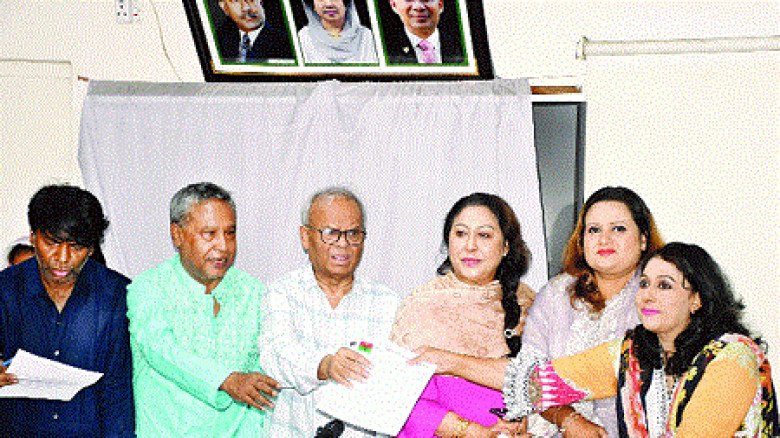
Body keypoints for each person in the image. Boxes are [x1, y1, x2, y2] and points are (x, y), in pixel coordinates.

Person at [413, 242, 779, 437]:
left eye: (665, 285)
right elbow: (537, 381)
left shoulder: (733, 358)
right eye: (645, 284)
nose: (648, 295)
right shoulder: (635, 353)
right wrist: (447, 361)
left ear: (697, 298)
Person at [127, 182, 278, 436]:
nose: (223, 246)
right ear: (177, 235)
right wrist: (227, 380)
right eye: (209, 234)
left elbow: (258, 385)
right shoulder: (148, 288)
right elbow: (163, 351)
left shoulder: (254, 293)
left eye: (230, 233)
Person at [519, 186, 663, 436]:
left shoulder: (660, 295)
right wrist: (568, 419)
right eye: (594, 230)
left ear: (643, 239)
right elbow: (527, 378)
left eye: (618, 229)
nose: (604, 239)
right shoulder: (556, 293)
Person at [257, 187, 400, 437]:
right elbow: (276, 356)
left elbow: (393, 385)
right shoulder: (282, 292)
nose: (343, 244)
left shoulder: (388, 303)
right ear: (305, 237)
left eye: (353, 233)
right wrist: (326, 365)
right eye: (331, 233)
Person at [390, 193, 535, 437]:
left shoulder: (529, 304)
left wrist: (525, 422)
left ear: (506, 247)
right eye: (460, 233)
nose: (470, 246)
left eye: (484, 235)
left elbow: (547, 386)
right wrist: (474, 432)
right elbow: (398, 398)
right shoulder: (422, 304)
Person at [0, 184, 134, 436]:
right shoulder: (5, 291)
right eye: (52, 243)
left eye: (76, 246)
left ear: (91, 248)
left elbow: (118, 394)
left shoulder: (117, 295)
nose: (62, 258)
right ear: (33, 236)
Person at [383, 0, 464, 64]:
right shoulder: (383, 50)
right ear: (393, 5)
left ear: (440, 4)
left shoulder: (463, 45)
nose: (418, 7)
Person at [298, 0, 378, 64]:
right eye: (321, 0)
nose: (329, 4)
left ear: (346, 4)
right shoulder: (304, 37)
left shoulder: (365, 36)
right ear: (313, 6)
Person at [215, 0, 294, 63]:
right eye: (236, 1)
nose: (246, 7)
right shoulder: (217, 41)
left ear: (261, 2)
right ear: (224, 7)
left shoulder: (288, 43)